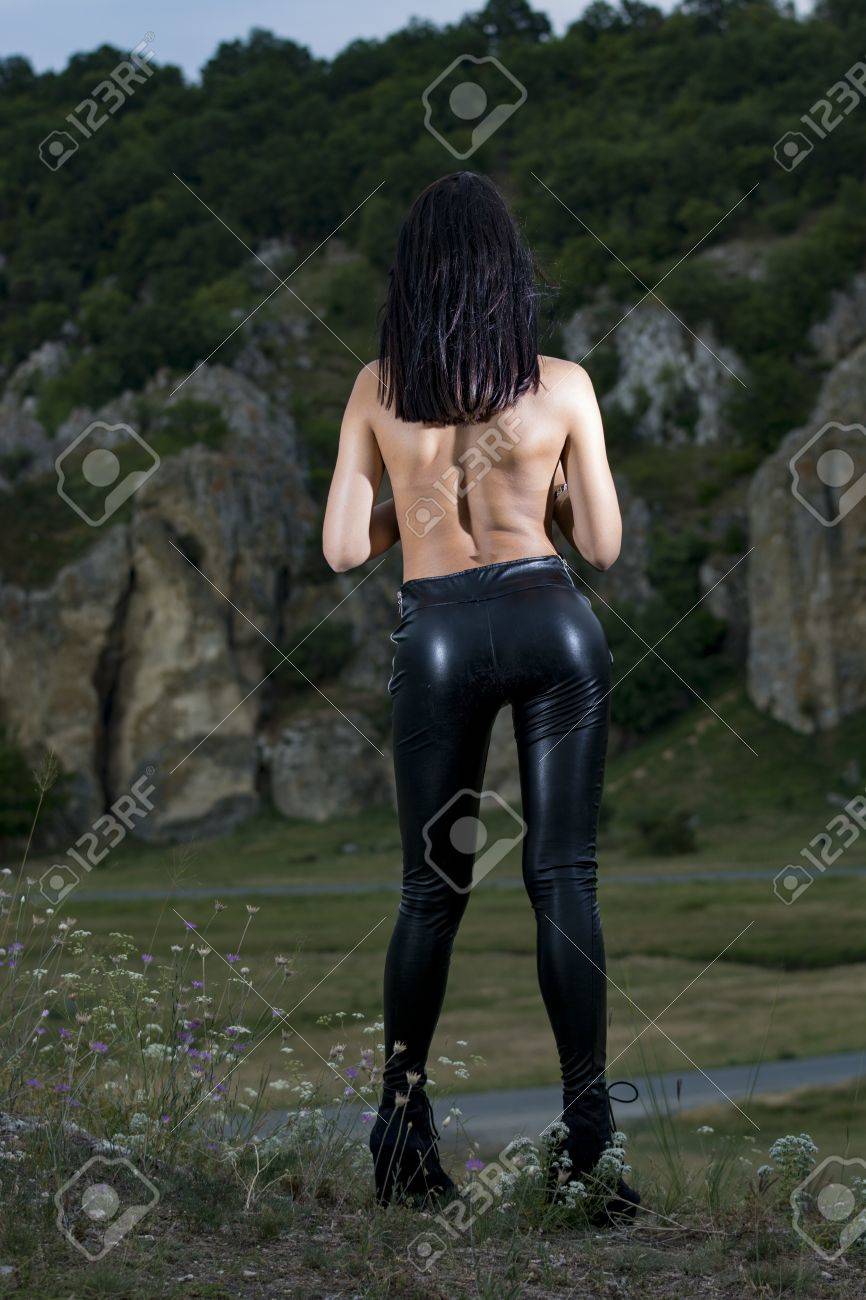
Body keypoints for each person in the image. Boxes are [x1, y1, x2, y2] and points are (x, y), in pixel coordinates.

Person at [323, 171, 639, 1221]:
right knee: (564, 881)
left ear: (412, 273)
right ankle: (590, 1152)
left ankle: (402, 1143)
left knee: (430, 895)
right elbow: (600, 545)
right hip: (551, 619)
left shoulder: (378, 386)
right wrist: (545, 487)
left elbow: (341, 550)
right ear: (510, 271)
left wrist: (417, 502)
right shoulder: (563, 384)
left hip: (440, 633)